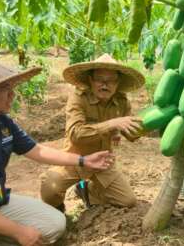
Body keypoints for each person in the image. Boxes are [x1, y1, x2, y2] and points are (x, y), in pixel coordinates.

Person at [0, 56, 113, 246]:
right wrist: (18, 231)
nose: (12, 94)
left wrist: (83, 160)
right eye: (5, 89)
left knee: (54, 224)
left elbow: (36, 150)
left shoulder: (2, 122)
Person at [40, 54, 145, 211]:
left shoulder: (122, 102)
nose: (105, 85)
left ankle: (87, 191)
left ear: (118, 83)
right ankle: (58, 210)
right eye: (99, 79)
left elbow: (130, 133)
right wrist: (111, 124)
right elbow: (76, 134)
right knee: (50, 188)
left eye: (111, 81)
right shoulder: (78, 99)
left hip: (103, 162)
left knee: (127, 201)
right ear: (90, 80)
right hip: (76, 159)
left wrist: (141, 127)